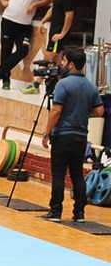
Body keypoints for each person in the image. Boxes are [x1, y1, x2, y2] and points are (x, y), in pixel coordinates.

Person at [41, 46, 104, 222]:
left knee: (59, 174)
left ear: (70, 64)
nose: (61, 63)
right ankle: (79, 212)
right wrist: (82, 113)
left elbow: (56, 110)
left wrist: (47, 133)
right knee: (77, 174)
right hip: (80, 137)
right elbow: (100, 111)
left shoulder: (63, 84)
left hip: (62, 136)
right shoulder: (90, 86)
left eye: (63, 60)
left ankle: (56, 211)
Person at [24, 0, 78, 95]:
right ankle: (59, 86)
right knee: (58, 61)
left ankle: (36, 85)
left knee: (47, 58)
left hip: (58, 34)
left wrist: (62, 34)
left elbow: (69, 17)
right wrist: (43, 21)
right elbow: (53, 9)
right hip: (54, 32)